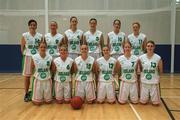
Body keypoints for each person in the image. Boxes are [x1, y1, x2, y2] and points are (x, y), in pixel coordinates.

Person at [20, 19, 42, 102]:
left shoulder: (40, 36)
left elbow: (41, 47)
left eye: (34, 25)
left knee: (37, 76)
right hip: (28, 57)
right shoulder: (25, 35)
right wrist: (25, 55)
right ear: (29, 26)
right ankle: (26, 93)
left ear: (36, 26)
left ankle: (35, 92)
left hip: (37, 58)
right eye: (31, 25)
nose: (32, 26)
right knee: (27, 76)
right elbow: (22, 48)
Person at [139, 40, 163, 106]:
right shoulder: (141, 58)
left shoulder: (158, 58)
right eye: (148, 46)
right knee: (143, 103)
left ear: (154, 47)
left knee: (156, 104)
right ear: (146, 47)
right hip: (144, 82)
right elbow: (140, 70)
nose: (150, 47)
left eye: (151, 46)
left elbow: (161, 71)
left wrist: (158, 78)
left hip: (154, 82)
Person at [31, 38, 53, 105]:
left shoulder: (50, 57)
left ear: (46, 48)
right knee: (37, 103)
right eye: (41, 47)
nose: (43, 48)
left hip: (47, 79)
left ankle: (45, 96)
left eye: (44, 47)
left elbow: (52, 69)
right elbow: (32, 68)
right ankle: (36, 96)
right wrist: (35, 76)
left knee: (48, 102)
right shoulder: (34, 57)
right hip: (38, 79)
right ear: (38, 47)